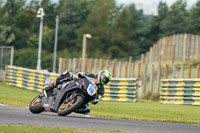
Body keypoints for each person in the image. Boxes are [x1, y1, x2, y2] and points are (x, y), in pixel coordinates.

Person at [43, 70, 112, 115]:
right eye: (104, 78)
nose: (104, 80)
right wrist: (77, 75)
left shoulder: (101, 90)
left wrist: (95, 99)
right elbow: (81, 73)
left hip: (84, 96)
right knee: (67, 73)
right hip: (77, 84)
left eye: (106, 80)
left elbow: (96, 100)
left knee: (87, 110)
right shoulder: (91, 75)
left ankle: (69, 108)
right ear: (100, 74)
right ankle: (51, 86)